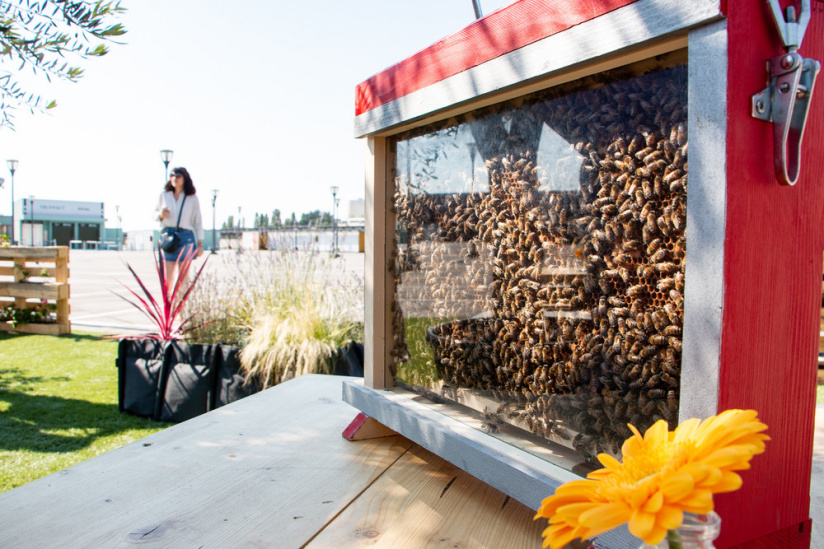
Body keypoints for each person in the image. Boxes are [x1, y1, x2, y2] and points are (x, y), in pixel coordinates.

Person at [154, 167, 204, 286]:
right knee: (168, 276)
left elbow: (198, 221)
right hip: (168, 235)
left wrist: (200, 243)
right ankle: (169, 302)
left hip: (186, 235)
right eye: (172, 175)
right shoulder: (164, 195)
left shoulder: (192, 198)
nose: (174, 178)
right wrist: (161, 214)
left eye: (178, 175)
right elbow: (154, 214)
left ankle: (180, 302)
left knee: (183, 276)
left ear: (185, 178)